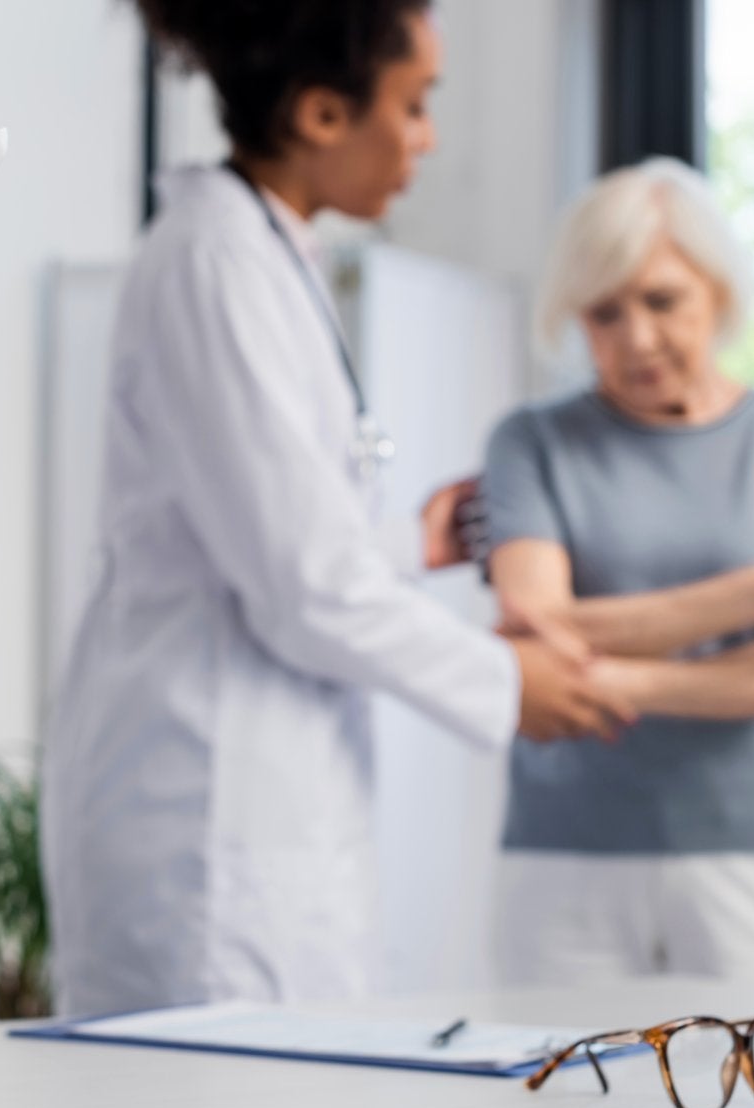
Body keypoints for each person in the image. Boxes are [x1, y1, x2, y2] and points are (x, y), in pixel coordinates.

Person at [41, 0, 633, 1018]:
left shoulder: (267, 252)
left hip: (264, 797)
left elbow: (264, 538)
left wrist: (409, 541)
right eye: (414, 104)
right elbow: (306, 590)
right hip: (207, 813)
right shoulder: (217, 262)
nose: (429, 136)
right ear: (322, 113)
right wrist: (504, 682)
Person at [480, 157, 754, 987]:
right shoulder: (529, 442)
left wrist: (598, 672)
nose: (636, 338)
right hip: (565, 856)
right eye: (604, 314)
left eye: (661, 301)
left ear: (717, 289)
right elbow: (531, 630)